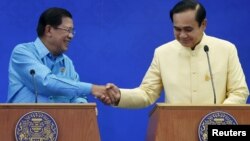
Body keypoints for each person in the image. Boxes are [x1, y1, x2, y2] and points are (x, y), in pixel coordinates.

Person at [103, 0, 249, 108]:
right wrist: (120, 96)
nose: (182, 35)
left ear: (203, 24)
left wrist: (219, 116)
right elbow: (147, 93)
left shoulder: (226, 49)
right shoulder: (162, 53)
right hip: (175, 128)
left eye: (188, 29)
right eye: (177, 29)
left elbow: (239, 91)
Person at [8, 7, 110, 103]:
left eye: (72, 31)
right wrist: (93, 89)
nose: (71, 36)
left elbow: (78, 97)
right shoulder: (22, 52)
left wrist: (82, 106)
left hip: (61, 121)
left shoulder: (67, 62)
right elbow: (46, 83)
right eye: (67, 30)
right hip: (24, 120)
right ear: (49, 30)